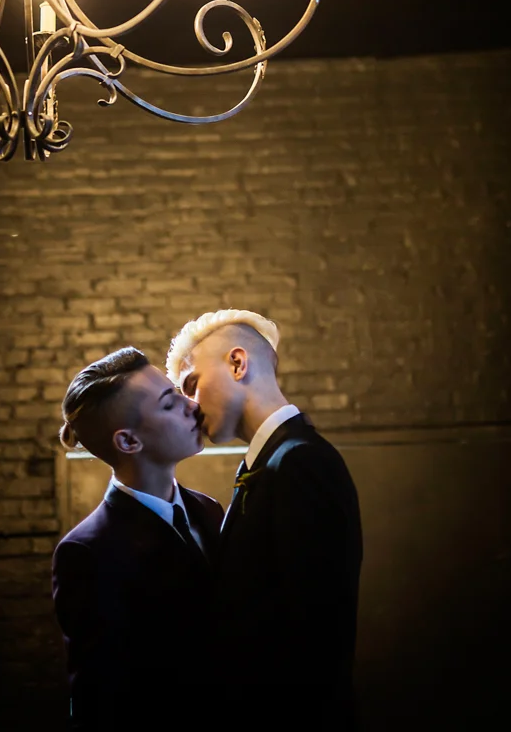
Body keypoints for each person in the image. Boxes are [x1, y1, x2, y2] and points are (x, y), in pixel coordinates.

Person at [167, 309, 363, 727]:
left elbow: (315, 636)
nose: (189, 406)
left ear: (238, 363)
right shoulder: (271, 463)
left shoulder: (300, 462)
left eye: (192, 384)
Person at [52, 347, 222, 727]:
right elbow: (99, 699)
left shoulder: (208, 510)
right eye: (169, 404)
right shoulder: (88, 552)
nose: (193, 406)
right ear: (128, 442)